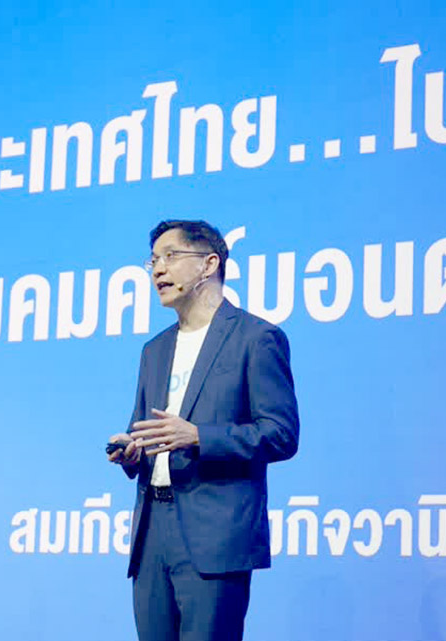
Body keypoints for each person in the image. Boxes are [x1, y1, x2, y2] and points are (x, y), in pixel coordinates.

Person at [108, 220, 299, 641]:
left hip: (215, 536)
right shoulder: (154, 350)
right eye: (153, 261)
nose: (158, 269)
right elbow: (146, 430)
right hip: (151, 532)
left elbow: (281, 433)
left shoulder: (257, 338)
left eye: (170, 256)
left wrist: (199, 437)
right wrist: (132, 450)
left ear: (209, 264)